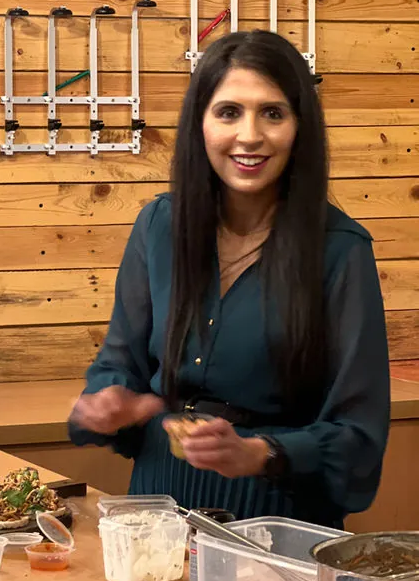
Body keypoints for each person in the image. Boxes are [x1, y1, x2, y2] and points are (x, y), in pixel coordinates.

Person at [68, 30, 390, 528]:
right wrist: (107, 402)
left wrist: (261, 452)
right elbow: (120, 361)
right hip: (158, 506)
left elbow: (359, 435)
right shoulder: (159, 226)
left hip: (276, 516)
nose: (249, 135)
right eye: (228, 112)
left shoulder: (341, 250)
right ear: (200, 123)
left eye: (273, 113)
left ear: (300, 127)